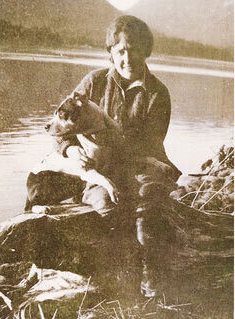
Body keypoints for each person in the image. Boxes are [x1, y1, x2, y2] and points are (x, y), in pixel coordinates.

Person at [53, 15, 182, 297]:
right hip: (103, 170)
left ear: (145, 50)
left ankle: (152, 284)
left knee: (148, 207)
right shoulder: (94, 82)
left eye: (134, 49)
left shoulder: (157, 93)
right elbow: (61, 131)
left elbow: (149, 145)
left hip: (143, 166)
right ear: (111, 52)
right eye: (120, 50)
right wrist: (74, 150)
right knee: (107, 206)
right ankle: (119, 283)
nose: (128, 58)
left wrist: (108, 140)